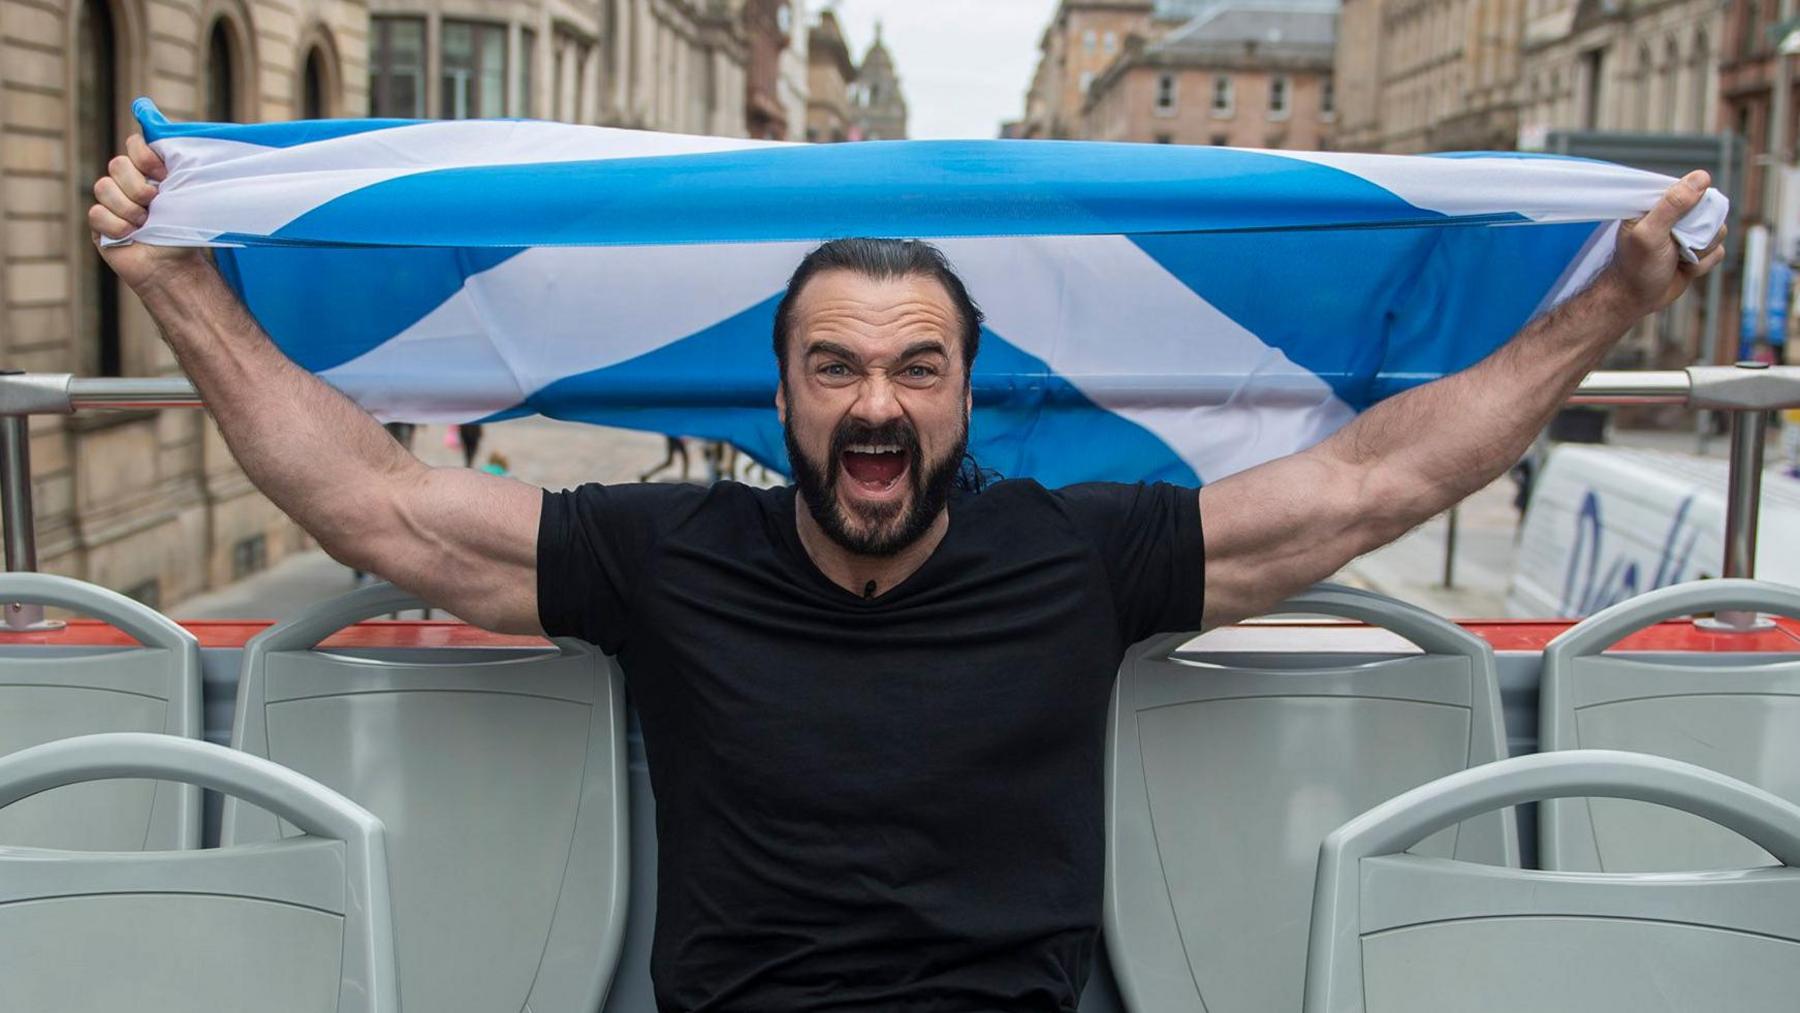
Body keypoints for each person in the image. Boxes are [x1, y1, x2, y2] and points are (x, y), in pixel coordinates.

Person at [90, 136, 1724, 1012]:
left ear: (965, 391)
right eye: (837, 368)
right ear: (782, 397)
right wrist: (178, 286)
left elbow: (1378, 478)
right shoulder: (667, 557)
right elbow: (385, 510)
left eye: (916, 367)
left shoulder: (1079, 552)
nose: (877, 401)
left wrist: (1618, 298)